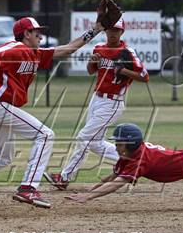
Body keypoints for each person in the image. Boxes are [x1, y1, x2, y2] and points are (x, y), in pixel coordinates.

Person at [0, 16, 105, 209]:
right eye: (37, 33)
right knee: (45, 135)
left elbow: (67, 49)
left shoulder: (35, 54)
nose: (40, 36)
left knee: (4, 157)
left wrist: (95, 30)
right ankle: (28, 188)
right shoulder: (16, 48)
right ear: (26, 34)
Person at [44, 18, 149, 190]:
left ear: (122, 32)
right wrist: (92, 61)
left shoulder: (127, 52)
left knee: (83, 138)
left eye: (116, 30)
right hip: (97, 98)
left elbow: (145, 77)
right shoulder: (100, 48)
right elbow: (91, 71)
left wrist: (123, 70)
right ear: (106, 30)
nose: (113, 33)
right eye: (110, 29)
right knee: (95, 143)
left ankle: (64, 177)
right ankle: (134, 163)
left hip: (113, 102)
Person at [65, 123, 183, 210]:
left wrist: (88, 198)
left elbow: (117, 184)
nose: (116, 146)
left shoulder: (140, 158)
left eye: (119, 143)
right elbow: (111, 178)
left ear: (131, 144)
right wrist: (87, 194)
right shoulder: (127, 156)